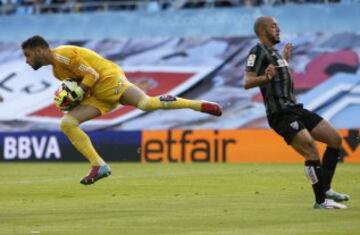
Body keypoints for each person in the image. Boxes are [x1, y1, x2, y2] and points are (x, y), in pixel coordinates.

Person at [22, 35, 222, 185]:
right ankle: (99, 166)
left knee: (146, 104)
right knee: (67, 123)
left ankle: (197, 105)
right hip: (98, 95)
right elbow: (83, 85)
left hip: (109, 79)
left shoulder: (62, 55)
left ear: (39, 50)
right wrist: (71, 102)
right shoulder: (58, 71)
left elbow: (91, 75)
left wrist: (78, 93)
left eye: (28, 55)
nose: (27, 60)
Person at [243, 16, 350, 209]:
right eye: (273, 26)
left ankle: (325, 189)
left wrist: (285, 60)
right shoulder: (257, 51)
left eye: (278, 25)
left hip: (295, 108)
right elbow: (247, 82)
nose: (278, 29)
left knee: (334, 139)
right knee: (311, 149)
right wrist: (265, 78)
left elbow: (278, 77)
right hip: (281, 114)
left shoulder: (274, 53)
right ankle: (321, 201)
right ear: (261, 30)